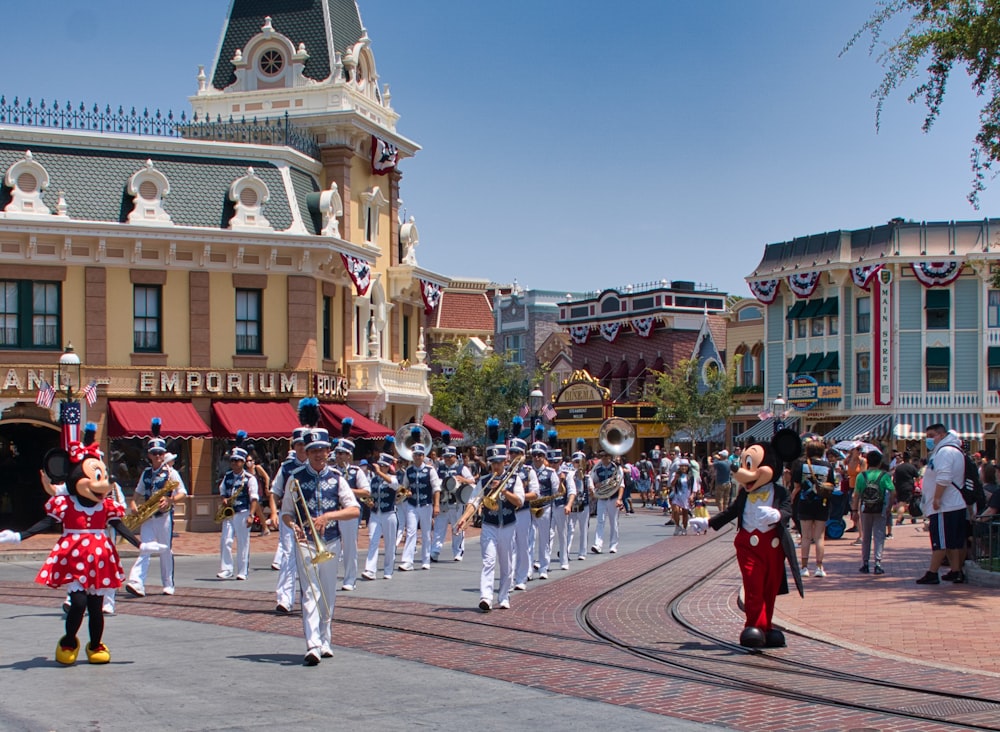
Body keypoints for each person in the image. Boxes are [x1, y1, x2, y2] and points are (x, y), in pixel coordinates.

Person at [281, 428, 360, 666]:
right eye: (313, 450)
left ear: (328, 451)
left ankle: (325, 639)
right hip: (305, 542)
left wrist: (328, 516)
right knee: (310, 593)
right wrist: (292, 525)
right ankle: (313, 644)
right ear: (306, 452)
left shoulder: (337, 478)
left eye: (322, 450)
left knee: (328, 593)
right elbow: (286, 511)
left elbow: (354, 510)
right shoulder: (294, 477)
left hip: (331, 541)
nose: (318, 454)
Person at [455, 442, 524, 612]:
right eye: (493, 463)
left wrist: (505, 492)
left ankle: (503, 596)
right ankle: (486, 597)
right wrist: (463, 518)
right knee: (488, 560)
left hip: (507, 524)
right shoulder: (485, 480)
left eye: (499, 462)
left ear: (505, 462)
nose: (496, 466)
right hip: (489, 524)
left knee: (506, 563)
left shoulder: (514, 478)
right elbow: (474, 501)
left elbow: (520, 502)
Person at [125, 421, 187, 597]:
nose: (158, 456)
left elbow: (183, 493)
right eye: (155, 453)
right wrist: (133, 505)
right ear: (150, 455)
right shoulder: (146, 473)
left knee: (165, 549)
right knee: (145, 548)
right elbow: (137, 494)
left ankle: (168, 584)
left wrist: (170, 499)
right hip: (148, 518)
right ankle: (137, 582)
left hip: (164, 516)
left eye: (161, 453)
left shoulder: (171, 473)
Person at [916, 424, 969, 585]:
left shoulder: (945, 451)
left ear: (941, 434)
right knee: (952, 542)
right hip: (953, 504)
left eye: (931, 435)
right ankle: (956, 571)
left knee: (940, 542)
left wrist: (937, 498)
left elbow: (944, 477)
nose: (929, 439)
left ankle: (932, 573)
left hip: (945, 506)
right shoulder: (951, 450)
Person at [270, 424, 309, 614]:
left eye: (303, 444)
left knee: (308, 559)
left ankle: (309, 598)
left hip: (310, 519)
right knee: (287, 556)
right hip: (289, 517)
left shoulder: (314, 466)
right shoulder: (286, 468)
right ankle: (285, 599)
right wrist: (272, 512)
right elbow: (275, 491)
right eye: (298, 444)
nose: (301, 448)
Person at [330, 433, 369, 591]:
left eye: (342, 453)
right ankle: (330, 578)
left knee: (349, 548)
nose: (338, 456)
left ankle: (350, 579)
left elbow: (366, 492)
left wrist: (346, 491)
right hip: (333, 511)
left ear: (349, 455)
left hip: (349, 513)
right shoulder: (330, 470)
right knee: (332, 546)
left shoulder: (356, 471)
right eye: (337, 453)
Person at [215, 441, 259, 581]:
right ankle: (226, 569)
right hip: (229, 512)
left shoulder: (250, 479)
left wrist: (251, 515)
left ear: (243, 462)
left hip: (243, 511)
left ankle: (242, 570)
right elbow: (222, 491)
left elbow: (254, 498)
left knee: (243, 542)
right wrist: (224, 499)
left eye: (237, 461)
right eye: (232, 461)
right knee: (226, 540)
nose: (234, 463)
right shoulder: (227, 476)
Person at [791, 440, 832, 577]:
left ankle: (804, 567)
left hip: (805, 503)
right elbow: (831, 485)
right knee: (819, 537)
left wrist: (790, 500)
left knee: (806, 536)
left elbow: (796, 486)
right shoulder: (828, 466)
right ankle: (819, 567)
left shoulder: (801, 465)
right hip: (822, 503)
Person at [399, 442, 441, 571]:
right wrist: (406, 492)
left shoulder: (430, 470)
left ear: (424, 456)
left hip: (426, 504)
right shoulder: (409, 471)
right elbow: (403, 487)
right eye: (415, 455)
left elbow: (436, 489)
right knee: (411, 531)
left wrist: (436, 505)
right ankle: (407, 561)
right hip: (412, 505)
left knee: (426, 532)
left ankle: (426, 559)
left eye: (420, 455)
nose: (417, 457)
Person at [853, 450, 895, 575]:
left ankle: (865, 563)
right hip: (880, 508)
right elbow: (893, 492)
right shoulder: (884, 476)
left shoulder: (862, 476)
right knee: (879, 536)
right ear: (880, 462)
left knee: (866, 536)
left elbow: (856, 495)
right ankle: (877, 563)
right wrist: (889, 507)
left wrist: (854, 510)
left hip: (865, 508)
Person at [432, 444, 474, 562]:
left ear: (454, 456)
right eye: (445, 457)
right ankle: (435, 550)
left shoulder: (462, 468)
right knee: (439, 528)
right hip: (444, 502)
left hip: (457, 502)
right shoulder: (439, 468)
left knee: (457, 528)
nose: (447, 459)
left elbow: (472, 481)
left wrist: (463, 479)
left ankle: (458, 551)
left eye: (449, 457)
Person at [362, 451, 399, 580]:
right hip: (375, 514)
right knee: (373, 540)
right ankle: (370, 570)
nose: (381, 467)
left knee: (390, 543)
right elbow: (368, 494)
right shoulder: (373, 480)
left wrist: (380, 473)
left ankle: (388, 569)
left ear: (388, 466)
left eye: (384, 465)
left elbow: (394, 485)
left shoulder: (392, 478)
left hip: (389, 513)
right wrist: (369, 502)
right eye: (380, 465)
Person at [510, 436, 539, 589]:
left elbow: (535, 493)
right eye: (511, 452)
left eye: (517, 453)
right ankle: (509, 579)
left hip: (522, 512)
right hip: (508, 513)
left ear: (523, 454)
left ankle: (521, 578)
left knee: (522, 545)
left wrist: (518, 498)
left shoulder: (529, 471)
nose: (513, 456)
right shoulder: (504, 470)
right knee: (509, 547)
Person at [529, 441, 561, 578]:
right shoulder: (527, 471)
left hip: (545, 508)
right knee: (528, 540)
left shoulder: (550, 472)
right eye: (535, 455)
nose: (537, 458)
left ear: (544, 456)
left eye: (540, 455)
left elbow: (556, 491)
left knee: (544, 539)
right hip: (529, 509)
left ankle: (543, 567)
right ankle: (528, 568)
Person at [589, 449, 624, 553]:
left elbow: (621, 485)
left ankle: (613, 545)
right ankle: (598, 544)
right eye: (602, 456)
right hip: (602, 498)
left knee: (613, 522)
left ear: (610, 456)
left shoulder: (616, 468)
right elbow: (592, 481)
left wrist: (619, 499)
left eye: (607, 455)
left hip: (613, 498)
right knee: (600, 521)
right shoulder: (597, 469)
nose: (604, 458)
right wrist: (595, 486)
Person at [567, 450, 593, 560]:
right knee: (570, 528)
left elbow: (592, 491)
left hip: (584, 505)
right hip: (572, 506)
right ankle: (566, 551)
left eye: (580, 462)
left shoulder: (587, 477)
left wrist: (592, 491)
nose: (578, 464)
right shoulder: (570, 475)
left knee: (583, 529)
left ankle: (582, 552)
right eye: (576, 462)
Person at [245, 452, 272, 536]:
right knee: (258, 511)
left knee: (258, 510)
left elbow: (266, 477)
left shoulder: (257, 468)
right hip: (249, 493)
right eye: (247, 461)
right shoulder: (245, 471)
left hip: (258, 492)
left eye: (250, 460)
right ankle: (265, 528)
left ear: (253, 461)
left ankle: (265, 528)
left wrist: (267, 487)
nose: (248, 462)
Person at [891, 451, 919, 528]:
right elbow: (917, 477)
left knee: (902, 502)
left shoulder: (898, 467)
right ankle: (899, 519)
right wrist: (917, 484)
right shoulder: (911, 467)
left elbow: (894, 478)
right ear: (910, 459)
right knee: (904, 503)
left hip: (899, 487)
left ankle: (908, 517)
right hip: (908, 487)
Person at [668, 459, 695, 535]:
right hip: (677, 495)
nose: (683, 468)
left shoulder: (690, 476)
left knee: (685, 513)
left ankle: (684, 528)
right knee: (675, 510)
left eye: (685, 466)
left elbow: (694, 487)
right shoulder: (675, 474)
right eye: (682, 466)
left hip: (686, 495)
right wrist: (676, 478)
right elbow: (672, 484)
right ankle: (677, 526)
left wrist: (692, 495)